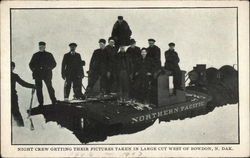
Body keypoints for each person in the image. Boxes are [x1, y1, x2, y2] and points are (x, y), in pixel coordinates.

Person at [29, 41, 57, 106]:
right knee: (39, 89)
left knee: (50, 87)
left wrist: (49, 68)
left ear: (45, 47)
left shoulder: (49, 54)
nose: (41, 47)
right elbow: (30, 64)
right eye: (40, 46)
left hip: (47, 74)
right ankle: (41, 103)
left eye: (42, 46)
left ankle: (54, 101)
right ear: (39, 47)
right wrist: (34, 70)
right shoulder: (35, 55)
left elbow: (54, 63)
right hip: (38, 75)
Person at [11, 62, 36, 126]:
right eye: (10, 66)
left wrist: (32, 86)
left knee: (15, 111)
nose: (11, 68)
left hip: (12, 96)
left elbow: (23, 83)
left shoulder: (14, 76)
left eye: (12, 67)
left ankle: (21, 127)